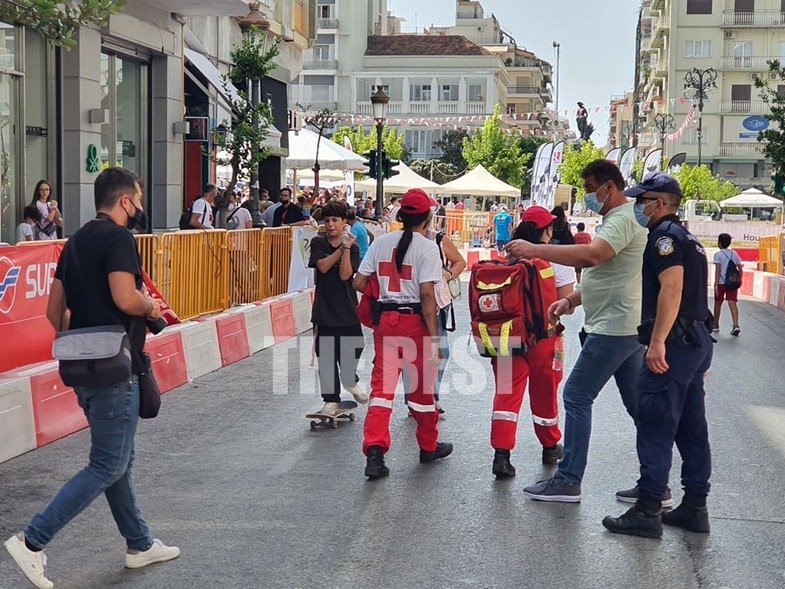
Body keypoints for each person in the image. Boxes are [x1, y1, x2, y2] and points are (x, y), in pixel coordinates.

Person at [3, 168, 180, 589]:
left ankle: (139, 544)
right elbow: (125, 297)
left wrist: (83, 340)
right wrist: (150, 307)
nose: (140, 206)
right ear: (124, 201)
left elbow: (53, 312)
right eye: (138, 199)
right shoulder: (119, 239)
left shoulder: (75, 241)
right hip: (116, 367)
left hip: (82, 368)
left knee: (118, 460)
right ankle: (32, 541)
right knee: (107, 463)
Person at [505, 160, 650, 504]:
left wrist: (535, 249)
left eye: (589, 189)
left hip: (613, 328)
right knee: (639, 407)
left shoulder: (622, 218)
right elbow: (612, 275)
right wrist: (571, 300)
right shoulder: (621, 219)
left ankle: (568, 480)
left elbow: (593, 256)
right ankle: (655, 482)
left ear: (609, 187)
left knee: (576, 396)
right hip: (624, 325)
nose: (587, 196)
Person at [602, 173, 713, 539]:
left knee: (655, 422)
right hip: (695, 339)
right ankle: (695, 506)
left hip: (675, 342)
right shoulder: (689, 238)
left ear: (661, 203)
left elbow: (673, 287)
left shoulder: (664, 238)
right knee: (691, 427)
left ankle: (648, 509)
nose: (638, 206)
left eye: (643, 200)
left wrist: (658, 341)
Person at [354, 188, 454, 479]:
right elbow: (427, 295)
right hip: (415, 326)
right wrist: (434, 338)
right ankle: (428, 446)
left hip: (385, 323)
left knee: (382, 391)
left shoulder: (381, 242)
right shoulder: (428, 248)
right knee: (422, 392)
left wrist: (385, 293)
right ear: (428, 217)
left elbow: (359, 282)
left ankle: (375, 453)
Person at [490, 206, 575, 478]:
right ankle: (550, 446)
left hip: (507, 337)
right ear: (547, 230)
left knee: (505, 394)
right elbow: (567, 306)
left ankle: (501, 455)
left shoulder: (508, 256)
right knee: (545, 392)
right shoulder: (558, 260)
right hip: (544, 339)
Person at [309, 201, 367, 415]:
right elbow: (323, 267)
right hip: (324, 307)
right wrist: (341, 249)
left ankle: (350, 379)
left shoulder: (354, 247)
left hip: (347, 305)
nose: (331, 225)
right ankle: (331, 399)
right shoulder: (318, 242)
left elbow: (345, 275)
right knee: (326, 355)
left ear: (344, 222)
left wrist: (347, 248)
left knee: (355, 345)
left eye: (335, 220)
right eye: (327, 221)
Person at [712, 233, 742, 336]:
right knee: (732, 302)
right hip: (732, 282)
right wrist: (739, 279)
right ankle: (736, 325)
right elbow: (739, 267)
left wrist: (716, 284)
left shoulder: (718, 255)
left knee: (718, 302)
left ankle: (715, 325)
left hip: (721, 282)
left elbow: (718, 270)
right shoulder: (734, 253)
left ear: (719, 243)